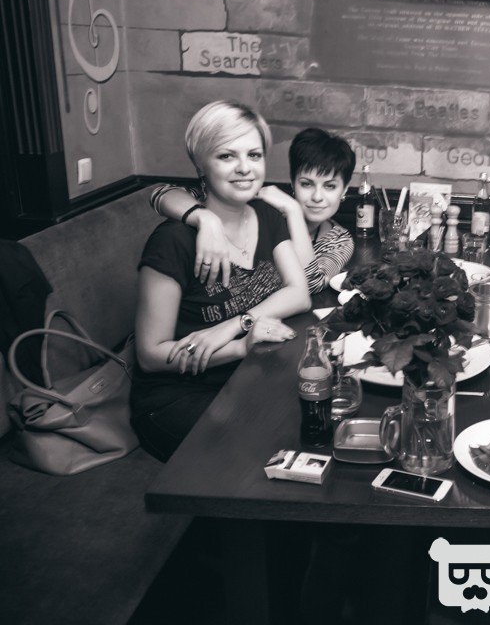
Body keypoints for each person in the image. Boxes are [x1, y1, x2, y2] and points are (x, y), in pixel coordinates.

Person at [132, 101, 311, 461]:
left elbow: (299, 293)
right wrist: (238, 348)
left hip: (246, 378)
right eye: (227, 156)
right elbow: (150, 356)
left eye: (254, 155)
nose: (245, 168)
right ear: (201, 165)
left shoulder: (267, 215)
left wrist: (236, 325)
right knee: (266, 455)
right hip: (179, 396)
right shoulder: (173, 241)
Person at [150, 127, 356, 293]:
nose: (317, 197)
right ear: (293, 183)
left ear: (344, 190)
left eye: (330, 186)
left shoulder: (339, 240)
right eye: (306, 184)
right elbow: (161, 193)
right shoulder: (259, 202)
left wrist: (293, 210)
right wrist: (204, 218)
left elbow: (309, 285)